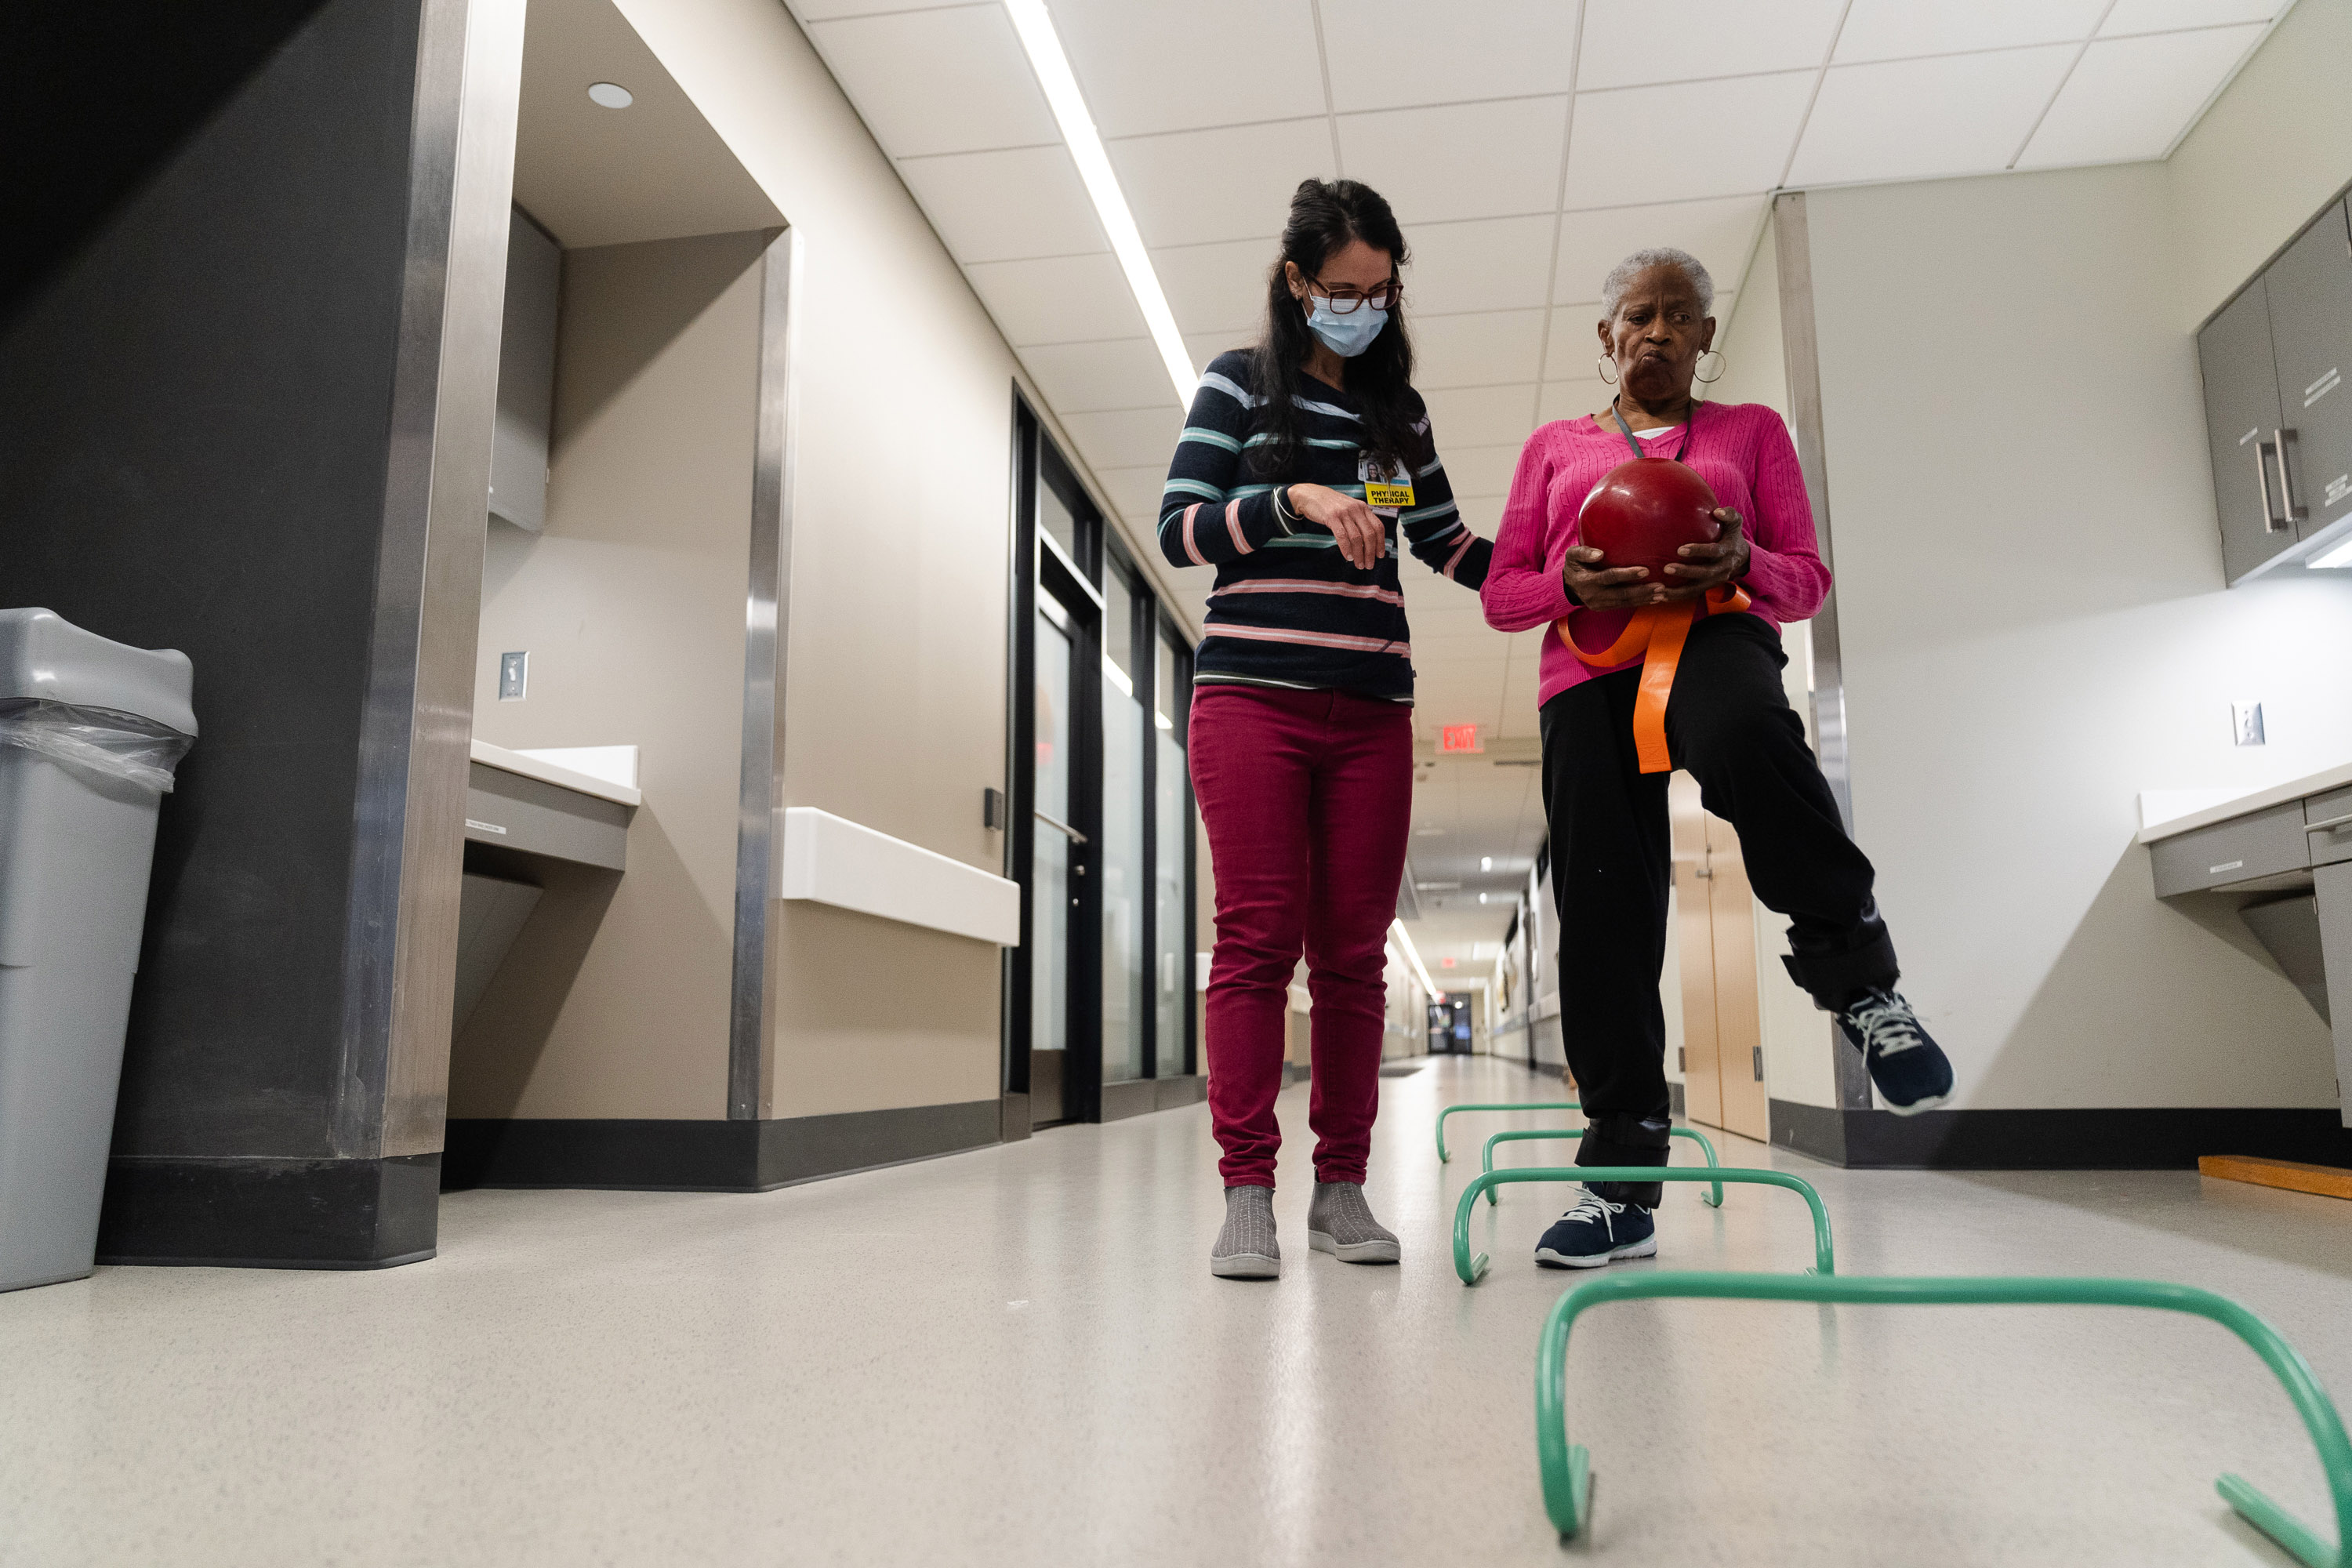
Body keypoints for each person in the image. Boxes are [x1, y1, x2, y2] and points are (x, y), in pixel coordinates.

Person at [1479, 246, 1954, 1270]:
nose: (1657, 330)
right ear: (1606, 337)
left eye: (1679, 315)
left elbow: (1808, 580)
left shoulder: (1752, 432)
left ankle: (1860, 981)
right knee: (1604, 912)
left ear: (1705, 335)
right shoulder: (1553, 448)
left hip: (1714, 639)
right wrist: (1569, 584)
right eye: (1637, 315)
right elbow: (1503, 593)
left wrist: (1746, 562)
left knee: (1748, 736)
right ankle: (1618, 1183)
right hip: (1588, 677)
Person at [1159, 178, 1492, 1280]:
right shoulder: (1237, 385)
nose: (1363, 306)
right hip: (1253, 696)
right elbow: (1179, 530)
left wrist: (1561, 572)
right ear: (1298, 284)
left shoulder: (1402, 415)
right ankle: (1246, 1192)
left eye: (1381, 290)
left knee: (1352, 959)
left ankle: (1340, 1190)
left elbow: (1449, 545)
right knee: (1258, 943)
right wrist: (1291, 499)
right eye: (1342, 289)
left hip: (1372, 711)